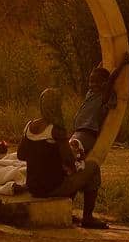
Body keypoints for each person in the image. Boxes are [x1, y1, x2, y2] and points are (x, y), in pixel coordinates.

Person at [18, 87, 106, 229]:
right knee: (92, 168)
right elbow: (69, 161)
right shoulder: (57, 130)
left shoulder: (30, 126)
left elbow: (20, 155)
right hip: (52, 187)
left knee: (74, 176)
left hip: (33, 186)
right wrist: (78, 158)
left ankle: (69, 210)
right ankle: (88, 217)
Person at [71, 52, 129, 158]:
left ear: (104, 84)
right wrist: (105, 58)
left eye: (95, 82)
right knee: (71, 153)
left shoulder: (103, 96)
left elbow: (111, 79)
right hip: (78, 130)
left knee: (73, 152)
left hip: (88, 133)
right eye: (91, 82)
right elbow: (98, 73)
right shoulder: (91, 93)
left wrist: (123, 63)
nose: (92, 85)